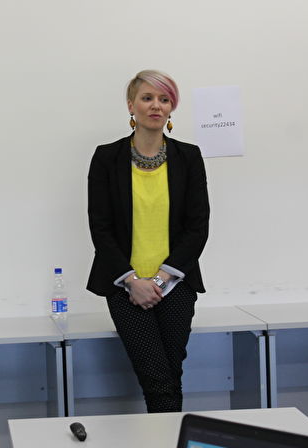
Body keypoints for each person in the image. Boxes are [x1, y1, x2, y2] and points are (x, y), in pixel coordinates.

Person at [86, 69, 209, 413]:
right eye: (147, 98)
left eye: (164, 99)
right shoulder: (107, 158)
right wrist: (133, 281)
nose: (156, 105)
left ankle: (166, 443)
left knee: (171, 377)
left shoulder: (188, 157)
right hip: (126, 287)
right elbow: (100, 228)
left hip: (176, 284)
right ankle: (169, 444)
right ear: (131, 105)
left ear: (171, 108)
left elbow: (198, 227)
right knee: (156, 379)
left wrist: (161, 279)